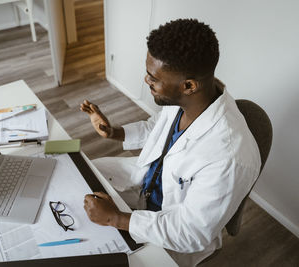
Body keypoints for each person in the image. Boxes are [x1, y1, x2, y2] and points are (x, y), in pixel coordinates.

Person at [80, 19, 261, 266]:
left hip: (173, 232)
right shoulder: (189, 101)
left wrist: (116, 219)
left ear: (188, 86)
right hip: (145, 187)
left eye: (153, 77)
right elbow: (156, 129)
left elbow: (191, 232)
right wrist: (114, 132)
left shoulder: (230, 156)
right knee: (84, 175)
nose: (146, 80)